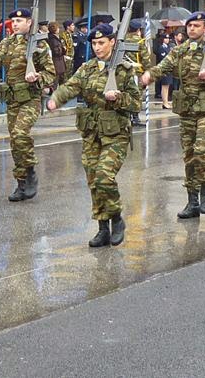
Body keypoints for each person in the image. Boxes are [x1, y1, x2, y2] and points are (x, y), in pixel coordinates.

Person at [47, 23, 140, 247]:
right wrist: (55, 99)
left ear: (112, 42)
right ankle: (102, 228)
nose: (97, 47)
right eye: (94, 43)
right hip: (91, 134)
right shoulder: (87, 68)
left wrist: (117, 98)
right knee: (93, 182)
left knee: (104, 176)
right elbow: (70, 87)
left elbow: (136, 103)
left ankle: (117, 218)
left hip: (115, 134)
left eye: (101, 42)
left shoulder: (125, 70)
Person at [141, 11, 205, 218]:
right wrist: (148, 75)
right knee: (190, 156)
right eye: (189, 26)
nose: (192, 29)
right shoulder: (180, 51)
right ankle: (193, 201)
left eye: (196, 26)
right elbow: (163, 67)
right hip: (187, 110)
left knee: (202, 150)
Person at [0, 8, 55, 201]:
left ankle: (30, 172)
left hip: (30, 98)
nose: (15, 24)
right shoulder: (8, 42)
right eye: (13, 21)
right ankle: (21, 183)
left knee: (20, 134)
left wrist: (37, 77)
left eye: (19, 21)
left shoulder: (39, 44)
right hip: (13, 99)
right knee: (15, 141)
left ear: (29, 22)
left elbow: (51, 72)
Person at [125, 18, 152, 126]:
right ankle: (135, 117)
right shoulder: (140, 41)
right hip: (137, 72)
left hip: (124, 71)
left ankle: (127, 116)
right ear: (138, 30)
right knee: (137, 95)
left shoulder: (122, 40)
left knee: (126, 93)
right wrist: (148, 71)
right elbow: (145, 59)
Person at [156, 34, 174, 109]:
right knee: (164, 86)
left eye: (168, 38)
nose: (167, 40)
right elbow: (163, 58)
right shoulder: (161, 48)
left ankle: (166, 102)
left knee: (167, 86)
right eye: (165, 38)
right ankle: (165, 102)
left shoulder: (169, 47)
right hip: (164, 69)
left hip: (169, 70)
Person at [47, 22, 66, 86]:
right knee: (57, 80)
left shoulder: (50, 37)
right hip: (57, 62)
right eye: (58, 28)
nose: (59, 29)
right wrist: (63, 49)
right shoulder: (54, 39)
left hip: (57, 62)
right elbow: (56, 51)